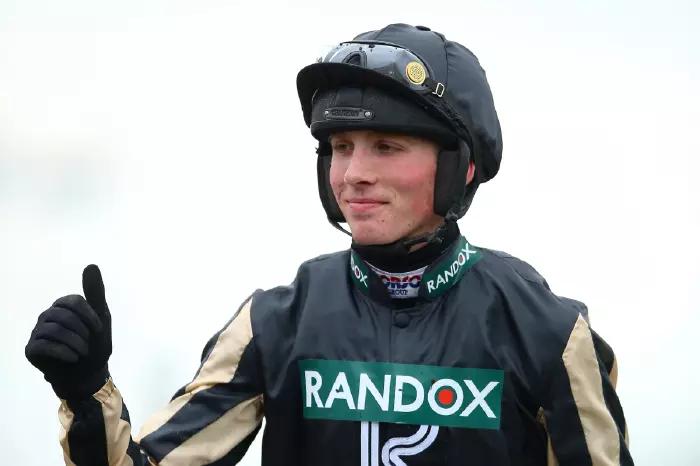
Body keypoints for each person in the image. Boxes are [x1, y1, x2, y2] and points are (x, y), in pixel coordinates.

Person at [25, 23, 634, 465]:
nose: (353, 174)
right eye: (340, 148)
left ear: (461, 169)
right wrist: (85, 393)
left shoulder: (547, 332)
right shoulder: (275, 323)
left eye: (386, 147)